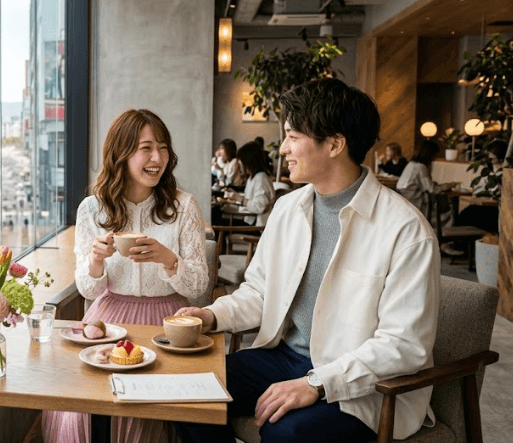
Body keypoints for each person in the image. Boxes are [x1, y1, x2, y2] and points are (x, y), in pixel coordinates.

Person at [173, 78, 439, 443]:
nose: (283, 149)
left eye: (293, 136)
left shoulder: (406, 230)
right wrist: (212, 315)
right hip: (284, 358)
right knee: (186, 388)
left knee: (286, 431)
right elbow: (259, 292)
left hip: (363, 385)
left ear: (334, 144)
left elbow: (403, 345)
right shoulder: (287, 209)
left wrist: (317, 382)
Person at [42, 109, 209, 443]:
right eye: (146, 148)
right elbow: (88, 289)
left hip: (168, 322)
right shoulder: (92, 209)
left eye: (163, 148)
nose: (157, 158)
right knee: (83, 405)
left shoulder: (183, 206)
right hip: (109, 319)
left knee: (142, 409)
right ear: (121, 153)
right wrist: (96, 261)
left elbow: (199, 285)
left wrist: (168, 259)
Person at [396, 141, 458, 252]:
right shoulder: (421, 167)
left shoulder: (411, 164)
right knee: (448, 211)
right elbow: (432, 189)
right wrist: (448, 185)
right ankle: (443, 242)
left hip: (407, 202)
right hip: (417, 203)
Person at [215, 141, 277, 227]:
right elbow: (252, 200)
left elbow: (259, 207)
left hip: (254, 227)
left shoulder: (261, 179)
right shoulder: (253, 177)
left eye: (241, 160)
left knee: (217, 219)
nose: (239, 163)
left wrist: (240, 199)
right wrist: (236, 196)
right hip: (250, 220)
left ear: (248, 161)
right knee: (218, 215)